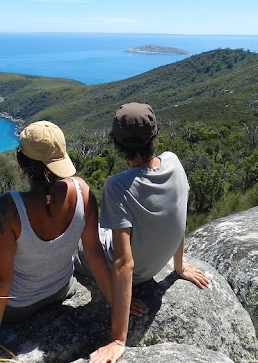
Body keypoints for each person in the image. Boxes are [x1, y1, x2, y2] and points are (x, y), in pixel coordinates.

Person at [0, 120, 113, 352]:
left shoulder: (11, 206)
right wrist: (116, 301)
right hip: (61, 289)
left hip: (14, 308)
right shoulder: (83, 192)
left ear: (21, 161)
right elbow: (94, 253)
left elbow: (1, 280)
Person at [83, 102, 210, 363]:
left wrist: (119, 339)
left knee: (76, 235)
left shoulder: (117, 186)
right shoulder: (174, 162)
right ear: (155, 136)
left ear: (118, 145)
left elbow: (122, 262)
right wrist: (179, 267)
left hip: (129, 270)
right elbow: (177, 214)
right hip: (155, 267)